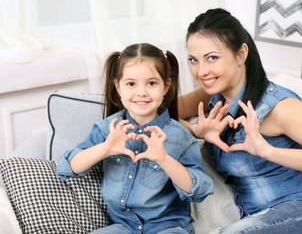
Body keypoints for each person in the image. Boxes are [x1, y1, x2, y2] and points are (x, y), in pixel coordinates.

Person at [179, 8, 302, 234]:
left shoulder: (277, 106)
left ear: (241, 54)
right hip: (265, 220)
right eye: (193, 60)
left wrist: (268, 151)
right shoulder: (213, 97)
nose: (201, 71)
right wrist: (196, 129)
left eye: (212, 58)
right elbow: (163, 109)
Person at [57, 43, 213, 234]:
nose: (141, 92)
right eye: (131, 84)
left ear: (166, 86)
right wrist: (105, 149)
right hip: (122, 227)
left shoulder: (180, 137)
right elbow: (67, 168)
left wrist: (165, 160)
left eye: (152, 83)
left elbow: (199, 190)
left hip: (169, 227)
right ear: (118, 87)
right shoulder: (107, 129)